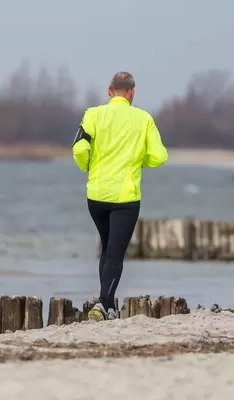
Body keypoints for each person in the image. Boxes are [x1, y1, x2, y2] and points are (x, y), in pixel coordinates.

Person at [72, 71, 168, 321]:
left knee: (107, 247)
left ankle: (107, 307)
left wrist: (87, 167)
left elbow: (79, 147)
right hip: (125, 198)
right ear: (132, 93)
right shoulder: (144, 118)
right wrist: (139, 160)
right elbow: (159, 156)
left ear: (109, 91)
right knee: (115, 253)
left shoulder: (93, 114)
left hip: (96, 195)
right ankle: (104, 305)